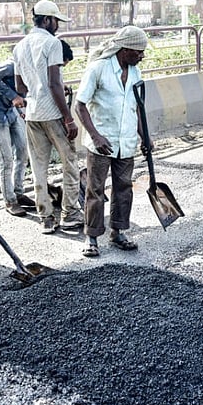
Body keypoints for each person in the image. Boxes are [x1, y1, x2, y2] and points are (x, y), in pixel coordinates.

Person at [75, 25, 148, 258]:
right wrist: (95, 136)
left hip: (126, 143)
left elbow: (137, 108)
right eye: (138, 52)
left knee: (124, 188)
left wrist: (144, 136)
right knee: (95, 190)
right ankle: (91, 237)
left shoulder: (136, 73)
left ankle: (118, 232)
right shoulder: (99, 69)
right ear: (124, 50)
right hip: (102, 143)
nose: (141, 56)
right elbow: (80, 105)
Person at [12, 0, 83, 234]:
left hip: (32, 113)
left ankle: (46, 217)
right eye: (55, 21)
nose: (57, 26)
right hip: (53, 113)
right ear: (46, 20)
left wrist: (37, 86)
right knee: (69, 163)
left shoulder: (19, 47)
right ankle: (70, 213)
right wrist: (68, 118)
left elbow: (20, 86)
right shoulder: (52, 43)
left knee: (38, 166)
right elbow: (54, 83)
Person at [0, 59, 35, 216]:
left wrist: (22, 107)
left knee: (23, 150)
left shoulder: (36, 67)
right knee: (6, 159)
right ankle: (9, 200)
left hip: (12, 111)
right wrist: (12, 96)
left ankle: (18, 192)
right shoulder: (12, 65)